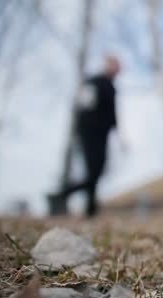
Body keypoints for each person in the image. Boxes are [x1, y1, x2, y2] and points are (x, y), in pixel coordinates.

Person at [48, 56, 122, 217]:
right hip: (90, 132)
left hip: (103, 134)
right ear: (109, 65)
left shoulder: (111, 87)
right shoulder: (94, 81)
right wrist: (87, 127)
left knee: (96, 171)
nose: (119, 70)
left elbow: (112, 113)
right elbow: (83, 105)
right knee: (93, 171)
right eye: (117, 65)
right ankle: (63, 196)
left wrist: (116, 131)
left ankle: (87, 208)